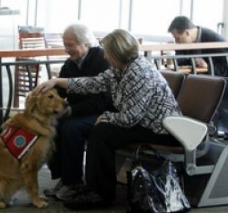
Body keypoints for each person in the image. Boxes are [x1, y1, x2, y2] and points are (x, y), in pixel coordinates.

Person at [34, 29, 182, 210]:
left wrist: (106, 116)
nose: (104, 56)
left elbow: (130, 118)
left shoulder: (139, 73)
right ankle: (93, 188)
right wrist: (56, 82)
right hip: (145, 123)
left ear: (118, 53)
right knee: (102, 130)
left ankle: (100, 194)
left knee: (103, 132)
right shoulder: (122, 69)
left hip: (162, 129)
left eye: (108, 52)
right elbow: (92, 83)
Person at [43, 23, 112, 201]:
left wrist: (73, 110)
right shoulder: (70, 64)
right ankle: (63, 178)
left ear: (85, 43)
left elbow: (102, 99)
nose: (66, 49)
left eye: (70, 45)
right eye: (65, 45)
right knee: (52, 125)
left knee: (71, 128)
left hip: (103, 112)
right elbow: (61, 92)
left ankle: (73, 182)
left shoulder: (102, 60)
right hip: (80, 111)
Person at [168, 15, 228, 88]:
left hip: (226, 88)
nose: (176, 42)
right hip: (204, 83)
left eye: (177, 38)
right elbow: (180, 60)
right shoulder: (186, 42)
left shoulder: (215, 40)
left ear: (187, 33)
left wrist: (208, 66)